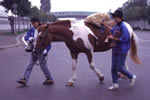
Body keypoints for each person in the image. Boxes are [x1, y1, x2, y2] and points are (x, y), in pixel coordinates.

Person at [104, 10, 136, 90]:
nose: (115, 19)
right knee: (113, 68)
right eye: (114, 17)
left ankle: (131, 76)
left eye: (116, 17)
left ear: (121, 18)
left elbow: (124, 39)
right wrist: (105, 25)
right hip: (115, 49)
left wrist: (112, 38)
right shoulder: (116, 26)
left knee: (120, 68)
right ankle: (115, 84)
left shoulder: (123, 26)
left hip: (122, 50)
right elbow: (112, 30)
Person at [17, 17, 54, 86]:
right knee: (29, 65)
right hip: (34, 50)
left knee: (43, 66)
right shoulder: (32, 29)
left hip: (41, 51)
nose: (33, 24)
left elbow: (48, 42)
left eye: (34, 23)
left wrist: (46, 50)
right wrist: (29, 38)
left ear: (38, 22)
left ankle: (49, 78)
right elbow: (26, 36)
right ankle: (25, 79)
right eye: (32, 23)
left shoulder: (44, 29)